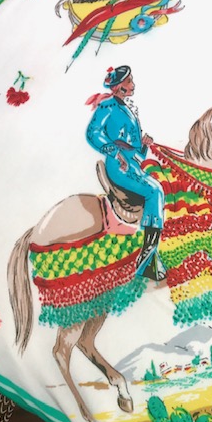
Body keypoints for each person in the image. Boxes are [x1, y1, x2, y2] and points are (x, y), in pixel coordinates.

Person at [86, 65, 165, 280]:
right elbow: (93, 133)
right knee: (155, 191)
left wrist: (144, 144)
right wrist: (114, 152)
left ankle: (151, 255)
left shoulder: (128, 107)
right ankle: (147, 258)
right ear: (119, 86)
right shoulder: (107, 107)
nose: (133, 85)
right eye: (129, 82)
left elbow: (135, 148)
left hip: (132, 163)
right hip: (118, 165)